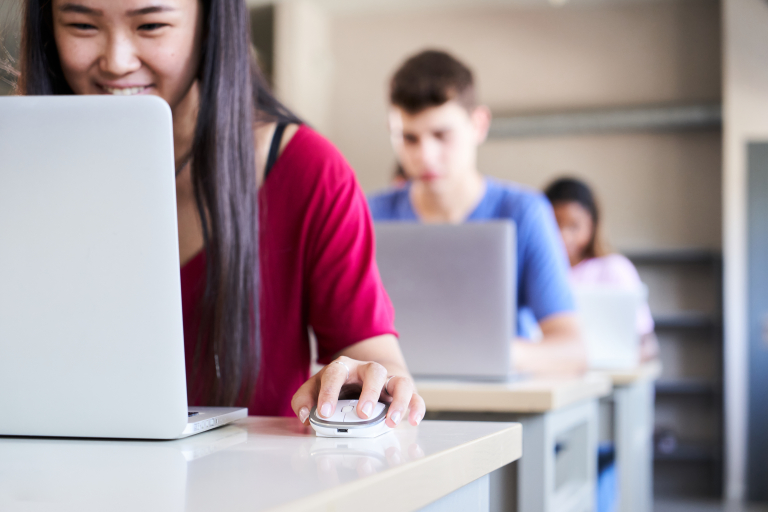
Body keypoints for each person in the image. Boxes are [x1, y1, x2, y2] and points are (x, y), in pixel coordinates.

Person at [19, 0, 425, 428]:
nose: (117, 60)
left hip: (254, 492)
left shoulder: (309, 171)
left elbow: (376, 361)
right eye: (81, 25)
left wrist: (365, 383)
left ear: (210, 24)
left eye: (152, 25)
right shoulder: (20, 166)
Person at [368, 50, 586, 374]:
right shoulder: (367, 215)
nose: (425, 156)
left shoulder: (524, 213)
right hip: (395, 402)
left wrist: (493, 353)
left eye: (441, 135)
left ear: (478, 124)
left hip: (501, 404)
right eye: (408, 138)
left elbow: (573, 351)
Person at [544, 177, 658, 361]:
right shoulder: (539, 274)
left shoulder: (614, 269)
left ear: (592, 225)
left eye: (574, 226)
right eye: (555, 225)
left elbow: (647, 344)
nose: (563, 236)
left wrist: (624, 357)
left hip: (610, 376)